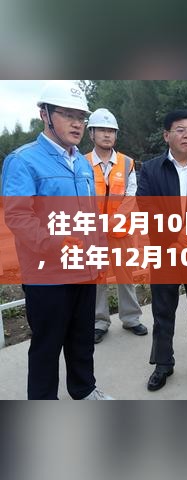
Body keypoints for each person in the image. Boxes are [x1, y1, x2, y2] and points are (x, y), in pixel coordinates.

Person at [1, 81, 112, 399]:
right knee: (46, 347)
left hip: (85, 271)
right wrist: (57, 244)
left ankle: (84, 390)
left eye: (81, 117)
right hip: (48, 277)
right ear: (45, 115)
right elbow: (18, 217)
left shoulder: (83, 163)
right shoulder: (23, 161)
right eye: (68, 115)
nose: (77, 124)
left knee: (82, 340)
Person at [137, 110, 187, 391]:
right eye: (181, 130)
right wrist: (175, 237)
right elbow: (146, 208)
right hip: (164, 253)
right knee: (163, 313)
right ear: (166, 135)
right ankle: (163, 364)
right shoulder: (151, 169)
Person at [85, 108, 147, 344]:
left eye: (111, 131)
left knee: (126, 276)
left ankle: (131, 318)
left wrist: (113, 221)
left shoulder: (127, 162)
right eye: (102, 130)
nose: (107, 134)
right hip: (92, 233)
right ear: (91, 133)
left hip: (121, 231)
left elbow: (131, 196)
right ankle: (99, 322)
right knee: (97, 278)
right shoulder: (81, 163)